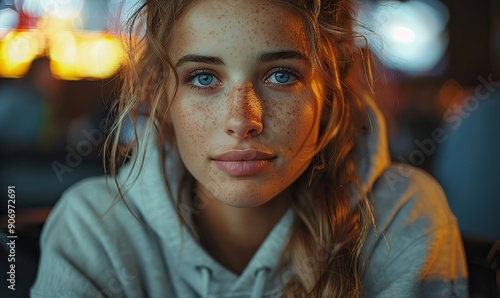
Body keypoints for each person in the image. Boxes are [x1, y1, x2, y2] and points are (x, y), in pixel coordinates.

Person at [31, 0, 468, 297]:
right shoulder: (93, 229)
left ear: (329, 93)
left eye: (281, 75)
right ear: (163, 98)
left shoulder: (399, 215)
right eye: (203, 77)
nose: (242, 120)